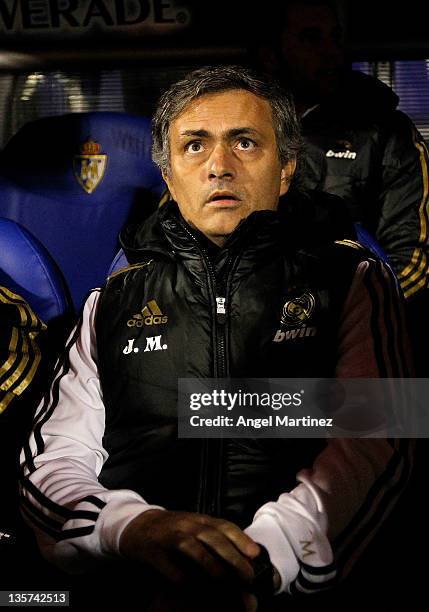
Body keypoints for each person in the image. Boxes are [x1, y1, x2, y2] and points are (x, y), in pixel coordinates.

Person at [20, 66, 412, 610]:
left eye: (245, 143)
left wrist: (264, 557)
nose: (219, 167)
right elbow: (54, 462)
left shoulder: (354, 281)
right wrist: (133, 529)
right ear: (169, 175)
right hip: (133, 585)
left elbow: (380, 442)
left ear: (286, 168)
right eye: (195, 146)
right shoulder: (108, 304)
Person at [252, 0, 429, 373]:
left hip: (359, 339)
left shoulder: (386, 131)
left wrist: (351, 322)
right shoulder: (235, 130)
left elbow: (413, 257)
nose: (331, 52)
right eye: (311, 38)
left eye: (336, 37)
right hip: (249, 342)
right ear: (271, 55)